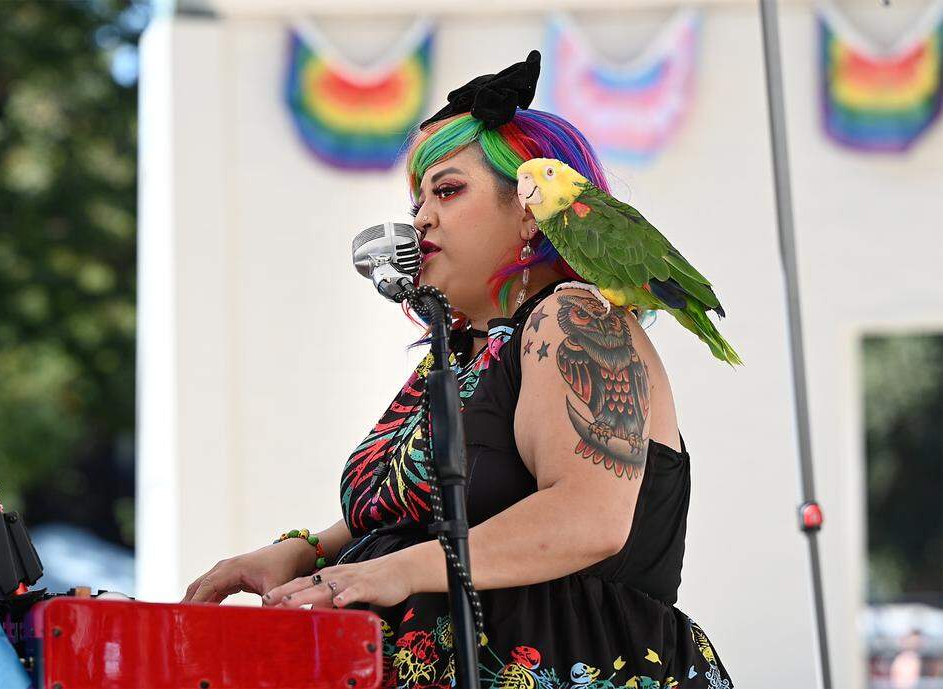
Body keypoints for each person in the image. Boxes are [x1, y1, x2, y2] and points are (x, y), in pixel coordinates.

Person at [185, 50, 735, 688]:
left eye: (447, 190)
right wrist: (308, 550)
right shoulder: (470, 351)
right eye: (417, 197)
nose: (420, 219)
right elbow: (434, 506)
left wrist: (389, 572)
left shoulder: (577, 320)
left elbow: (589, 519)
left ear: (531, 208)